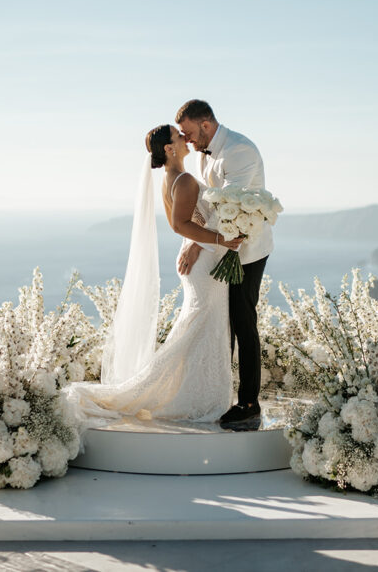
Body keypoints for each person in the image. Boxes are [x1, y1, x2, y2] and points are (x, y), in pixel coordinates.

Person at [64, 124, 243, 424]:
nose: (185, 139)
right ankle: (182, 395)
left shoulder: (175, 178)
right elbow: (180, 225)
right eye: (178, 136)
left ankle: (197, 393)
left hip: (202, 259)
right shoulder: (183, 179)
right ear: (169, 149)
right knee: (201, 328)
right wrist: (220, 240)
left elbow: (188, 222)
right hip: (204, 265)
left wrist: (204, 242)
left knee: (201, 329)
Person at [175, 99, 272, 430]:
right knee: (222, 323)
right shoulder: (205, 154)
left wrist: (194, 245)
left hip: (247, 249)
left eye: (188, 134)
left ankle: (249, 403)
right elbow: (206, 206)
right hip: (219, 246)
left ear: (205, 125)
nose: (186, 141)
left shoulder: (239, 151)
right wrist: (192, 242)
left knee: (243, 321)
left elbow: (228, 209)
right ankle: (218, 395)